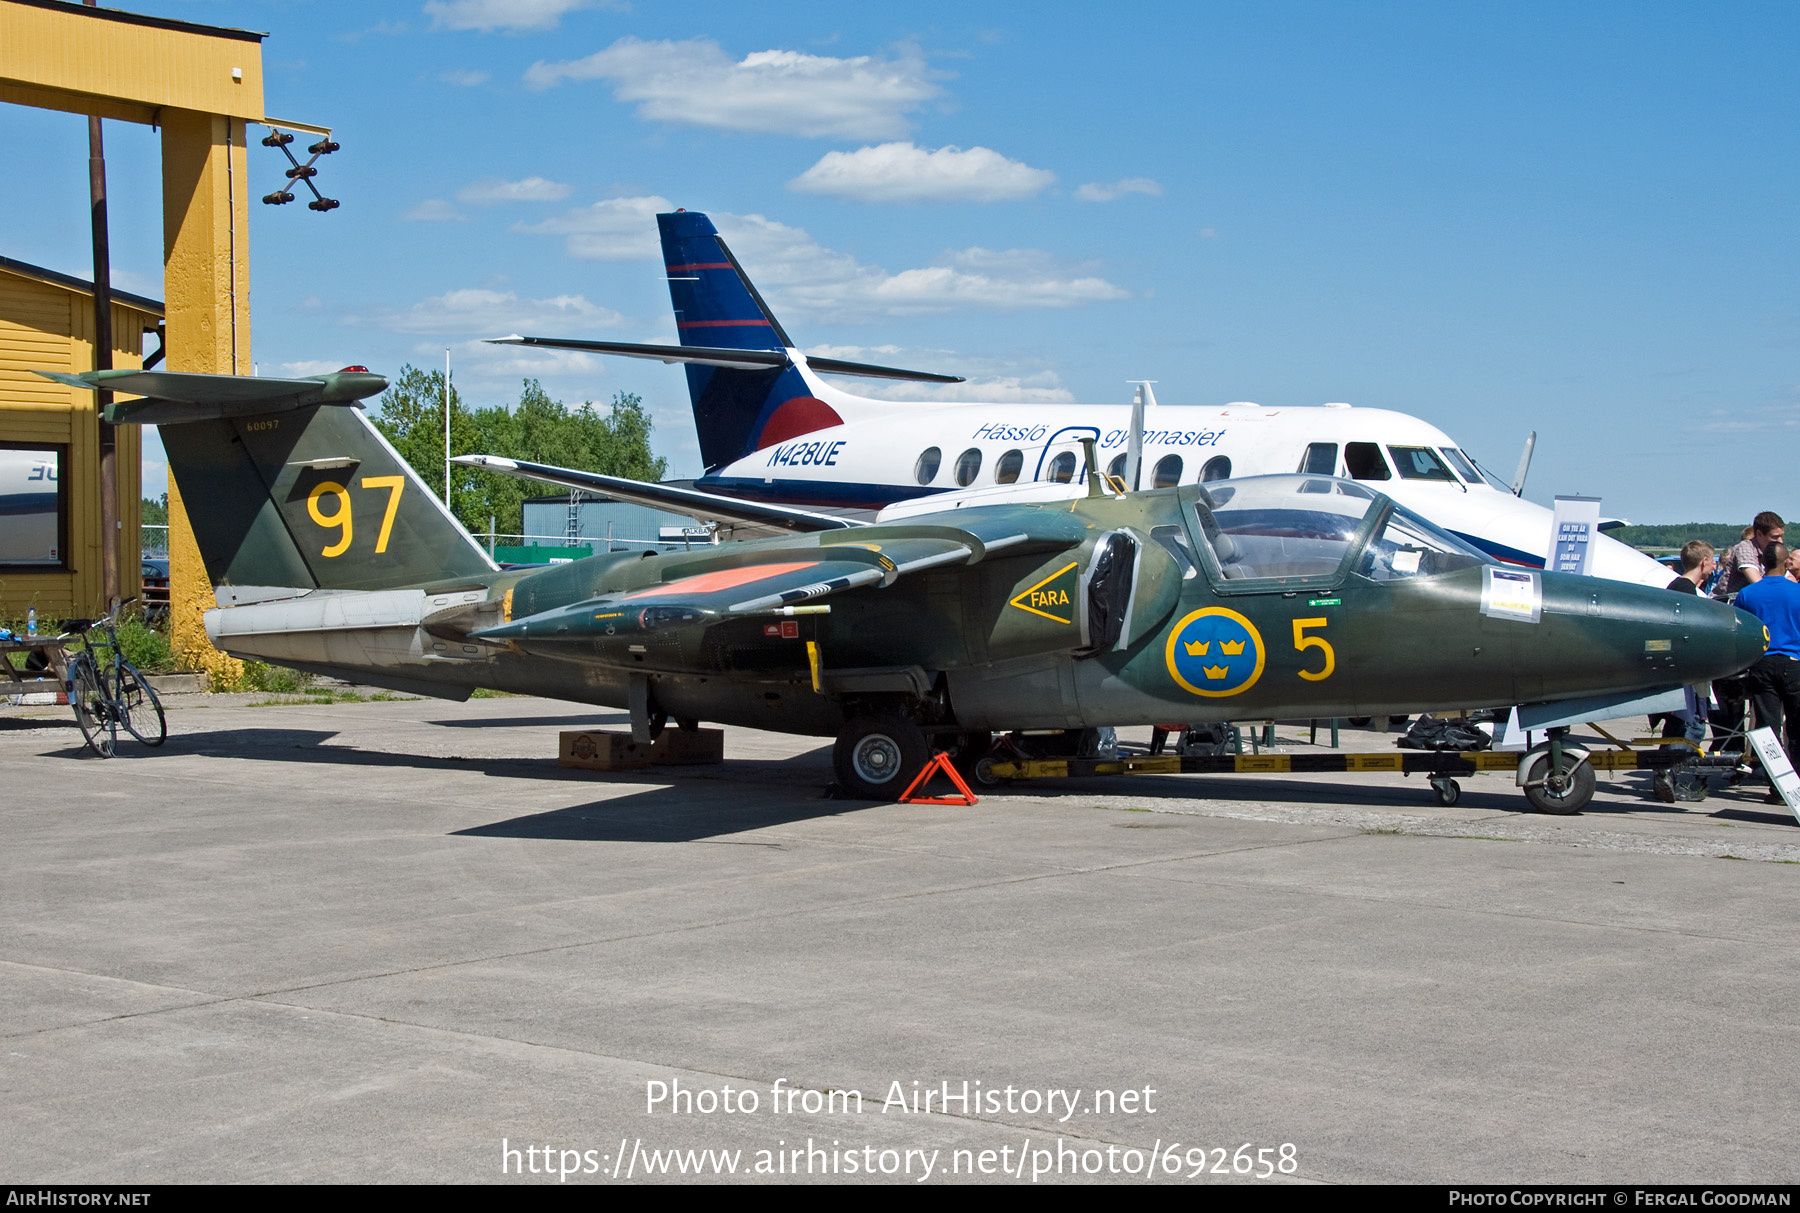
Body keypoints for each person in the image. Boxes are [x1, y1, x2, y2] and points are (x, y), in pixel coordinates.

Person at [1733, 542, 1800, 802]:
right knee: (1796, 728)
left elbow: (1740, 631)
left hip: (1761, 664)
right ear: (1786, 563)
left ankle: (1777, 786)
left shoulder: (1748, 594)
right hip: (1794, 663)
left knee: (1768, 728)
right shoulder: (1796, 592)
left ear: (1763, 562)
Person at [1715, 512, 1784, 601]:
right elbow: (1758, 584)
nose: (1780, 541)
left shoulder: (1769, 551)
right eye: (1775, 537)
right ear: (1759, 534)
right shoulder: (1745, 548)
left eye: (1781, 536)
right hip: (1724, 606)